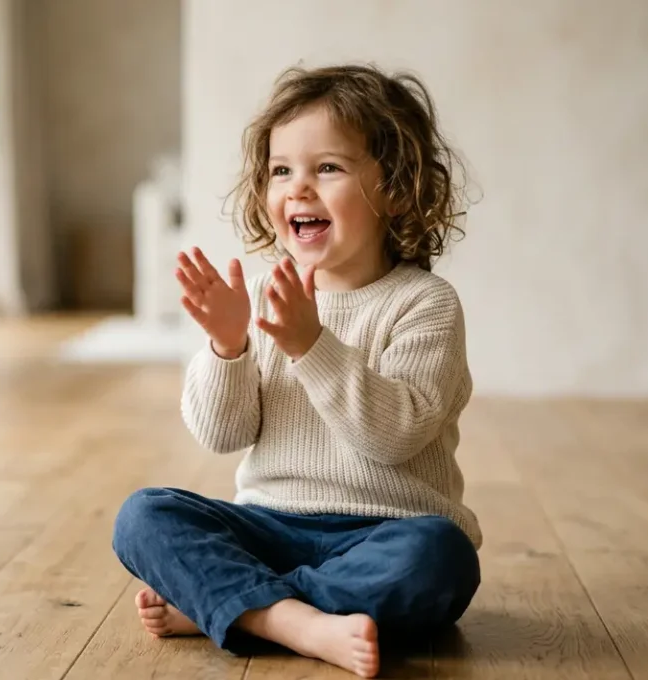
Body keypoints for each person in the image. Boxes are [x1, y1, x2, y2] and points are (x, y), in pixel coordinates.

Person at [110, 62, 483, 678]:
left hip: (382, 533)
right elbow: (220, 435)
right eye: (281, 170)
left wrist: (312, 345)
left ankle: (235, 605)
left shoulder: (424, 304)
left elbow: (392, 438)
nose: (298, 188)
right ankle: (297, 621)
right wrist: (228, 344)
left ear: (396, 187)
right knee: (143, 515)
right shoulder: (256, 297)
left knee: (441, 557)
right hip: (266, 524)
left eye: (327, 167)